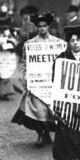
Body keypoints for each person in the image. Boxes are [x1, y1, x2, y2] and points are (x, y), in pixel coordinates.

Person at [11, 12, 62, 147]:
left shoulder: (57, 43)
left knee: (51, 111)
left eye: (44, 26)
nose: (42, 29)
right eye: (39, 26)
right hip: (37, 84)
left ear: (48, 27)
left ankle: (47, 132)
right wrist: (26, 78)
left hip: (51, 84)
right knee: (37, 110)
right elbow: (24, 63)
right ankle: (41, 133)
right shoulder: (30, 44)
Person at [52, 25, 80, 160]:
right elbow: (55, 78)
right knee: (70, 127)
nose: (75, 43)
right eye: (72, 41)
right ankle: (76, 157)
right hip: (68, 100)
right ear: (68, 43)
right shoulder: (62, 58)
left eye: (78, 40)